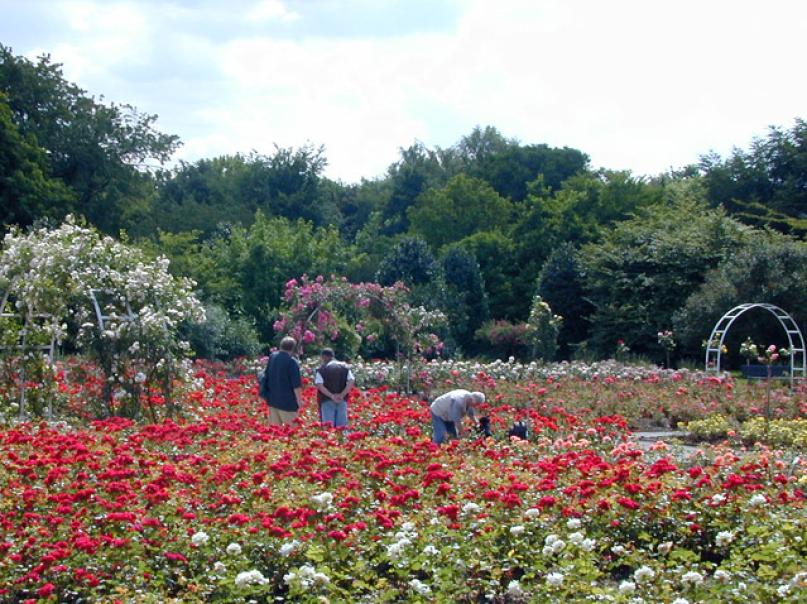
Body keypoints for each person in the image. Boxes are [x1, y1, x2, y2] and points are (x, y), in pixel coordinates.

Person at [261, 336, 303, 426]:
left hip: (273, 401)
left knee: (275, 430)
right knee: (292, 430)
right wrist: (299, 402)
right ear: (293, 348)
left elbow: (266, 375)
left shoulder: (272, 357)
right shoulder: (291, 362)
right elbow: (296, 385)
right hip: (287, 404)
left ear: (281, 346)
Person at [314, 348, 354, 428]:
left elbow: (319, 385)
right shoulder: (345, 367)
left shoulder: (322, 369)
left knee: (328, 426)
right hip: (341, 400)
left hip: (326, 400)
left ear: (324, 357)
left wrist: (332, 396)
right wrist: (342, 395)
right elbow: (351, 380)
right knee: (342, 426)